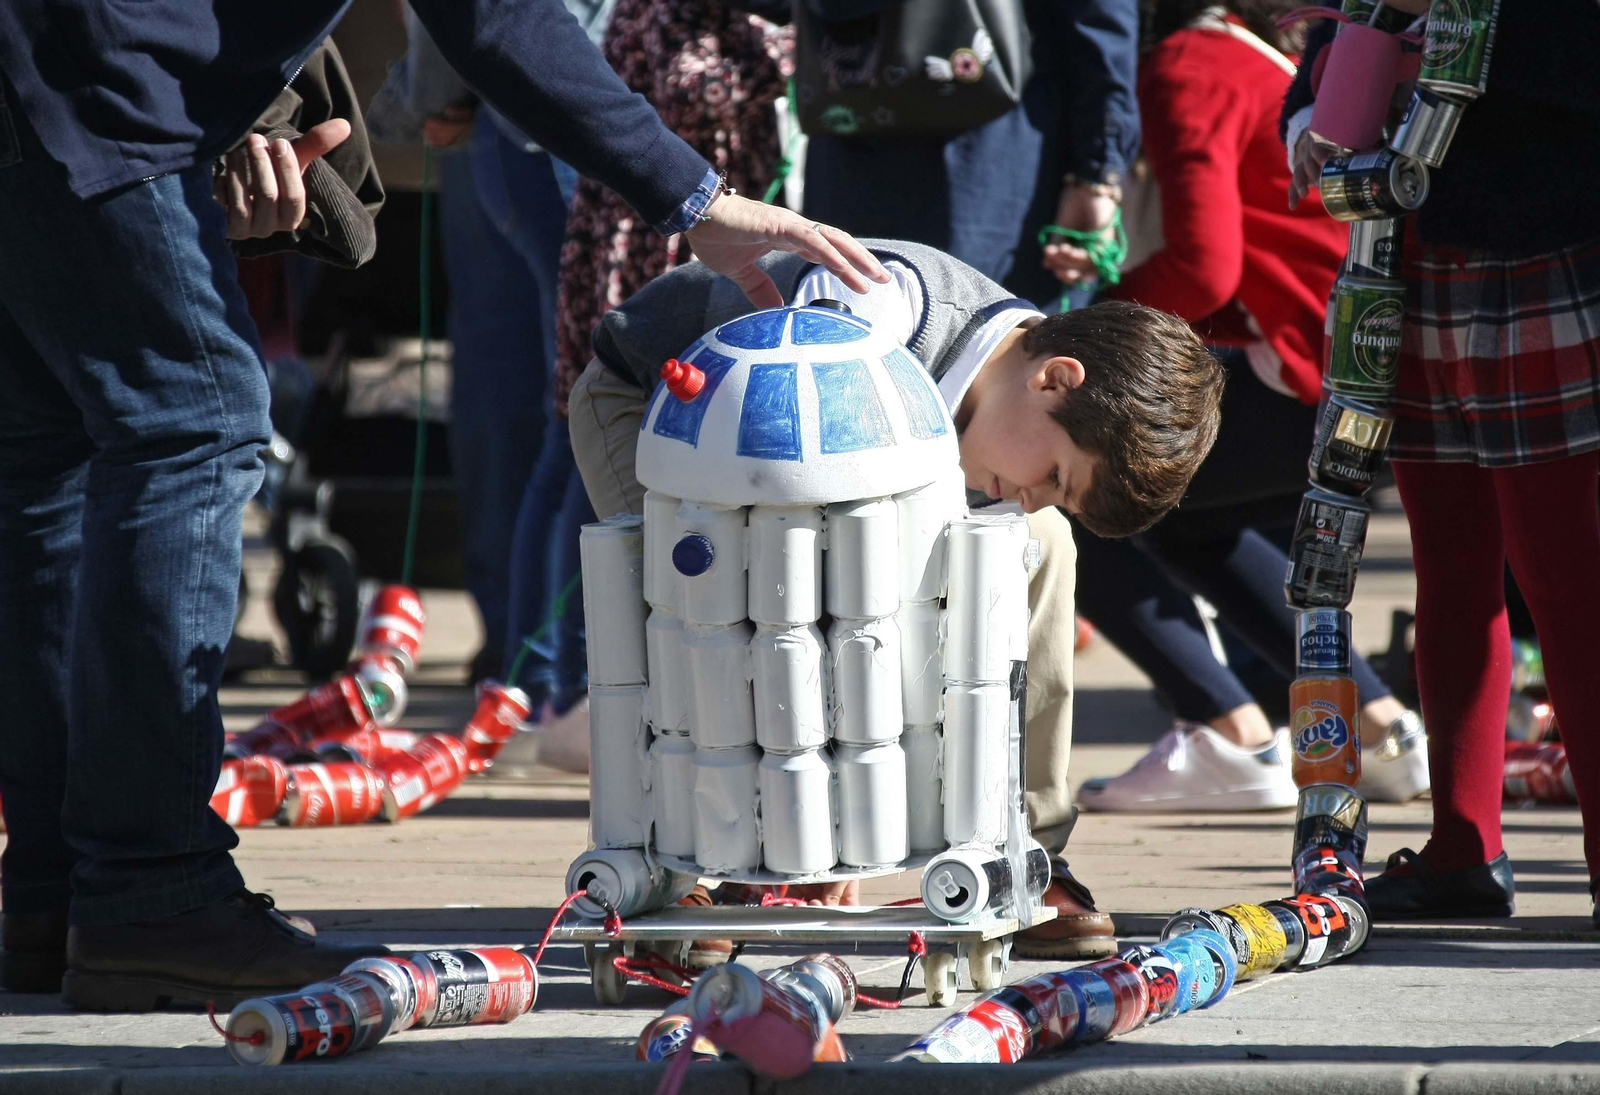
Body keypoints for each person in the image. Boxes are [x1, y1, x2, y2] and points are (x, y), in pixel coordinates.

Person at [0, 0, 887, 1010]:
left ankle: (57, 894)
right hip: (97, 92)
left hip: (42, 84)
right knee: (192, 430)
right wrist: (694, 199)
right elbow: (494, 15)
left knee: (52, 463)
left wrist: (242, 111)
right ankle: (148, 893)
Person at [567, 237, 1225, 957]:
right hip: (669, 418)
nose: (1032, 495)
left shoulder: (1012, 420)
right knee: (701, 599)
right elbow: (799, 549)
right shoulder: (870, 313)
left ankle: (1022, 847)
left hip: (811, 482)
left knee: (1043, 544)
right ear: (1055, 379)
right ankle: (684, 858)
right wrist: (820, 820)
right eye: (1055, 477)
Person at [1060, 0, 1425, 813]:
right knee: (1187, 520)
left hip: (1320, 371)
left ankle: (1229, 733)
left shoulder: (1188, 66)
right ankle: (1380, 730)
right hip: (1364, 365)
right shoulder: (1244, 57)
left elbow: (1203, 266)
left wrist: (1074, 331)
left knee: (1081, 488)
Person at [1283, 0, 1600, 920]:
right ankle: (1463, 844)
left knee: (1565, 581)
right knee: (1450, 572)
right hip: (1401, 263)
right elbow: (1334, 39)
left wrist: (1461, 33)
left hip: (1536, 249)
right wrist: (1308, 120)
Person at [536, 0, 794, 770]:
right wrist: (795, 55)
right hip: (659, 245)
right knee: (590, 467)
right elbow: (689, 90)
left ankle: (582, 686)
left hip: (708, 238)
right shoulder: (670, 13)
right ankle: (574, 686)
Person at [767, 0, 1140, 309]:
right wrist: (1097, 175)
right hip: (988, 158)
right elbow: (1098, 19)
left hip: (859, 127)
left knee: (854, 323)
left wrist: (1098, 168)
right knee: (996, 342)